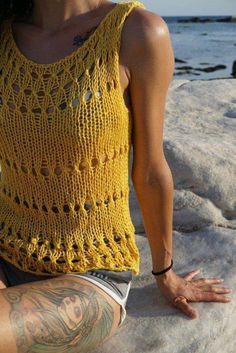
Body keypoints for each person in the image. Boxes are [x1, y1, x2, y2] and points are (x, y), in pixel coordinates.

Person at [0, 0, 232, 352]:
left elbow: (151, 169)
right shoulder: (5, 34)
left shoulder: (134, 31)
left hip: (92, 273)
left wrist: (165, 273)